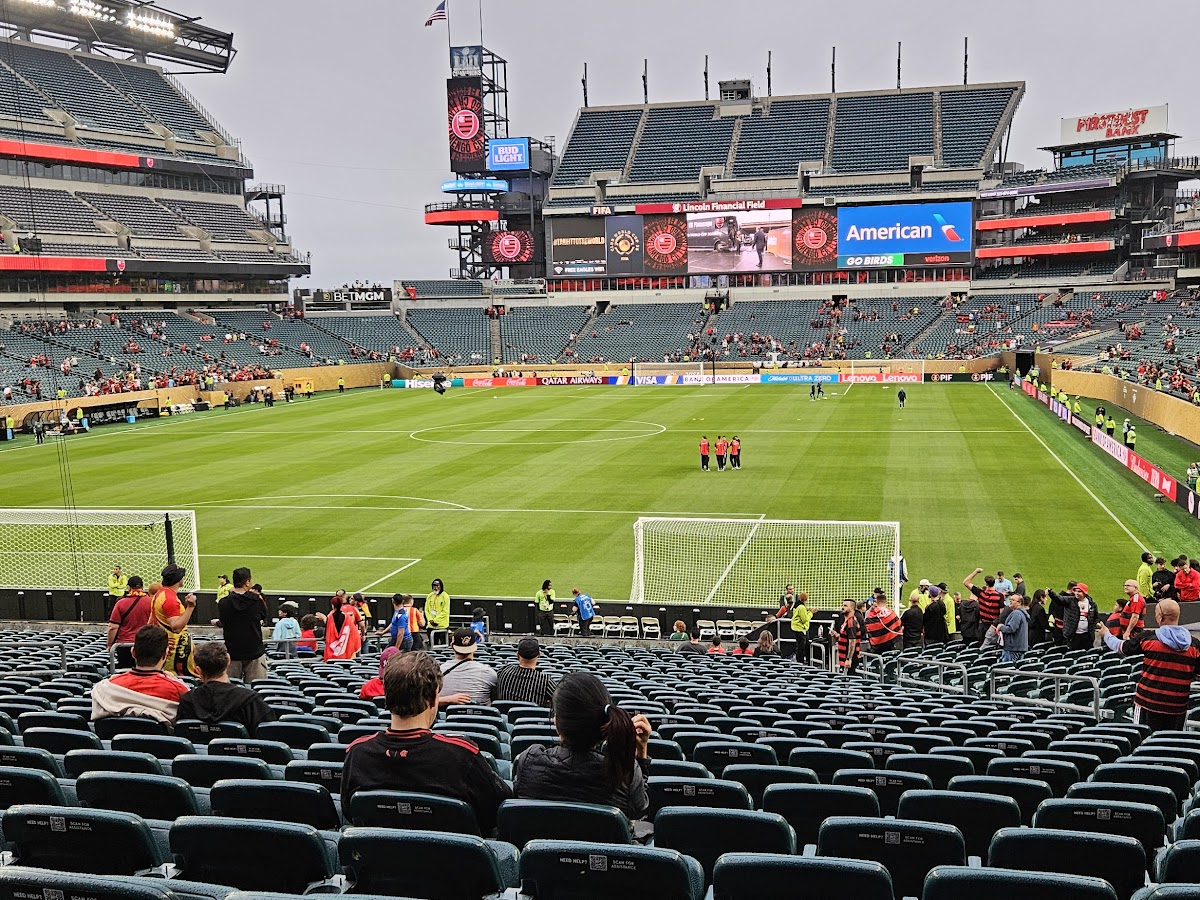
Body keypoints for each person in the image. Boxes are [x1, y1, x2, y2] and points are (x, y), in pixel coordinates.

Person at [340, 652, 512, 831]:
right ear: (433, 699)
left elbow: (349, 810)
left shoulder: (357, 752)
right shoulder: (461, 753)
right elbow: (497, 808)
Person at [512, 672, 651, 821]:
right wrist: (641, 753)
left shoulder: (528, 762)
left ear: (557, 723)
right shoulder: (625, 773)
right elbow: (639, 811)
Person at [1105, 598, 1200, 731]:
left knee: (1142, 739)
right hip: (1177, 708)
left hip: (1147, 705)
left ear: (1160, 616)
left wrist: (1106, 635)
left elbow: (1121, 647)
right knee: (1171, 742)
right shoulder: (1195, 645)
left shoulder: (1148, 638)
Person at [91, 625, 189, 725]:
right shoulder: (180, 691)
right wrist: (175, 681)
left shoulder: (104, 688)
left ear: (133, 652)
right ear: (165, 654)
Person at [176, 641, 276, 734]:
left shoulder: (187, 701)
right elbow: (269, 734)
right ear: (228, 660)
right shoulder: (251, 701)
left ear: (198, 670)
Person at [215, 567, 268, 682]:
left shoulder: (224, 603)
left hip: (233, 652)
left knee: (231, 689)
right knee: (257, 687)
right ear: (247, 582)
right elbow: (264, 615)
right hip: (254, 652)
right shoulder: (256, 600)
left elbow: (223, 621)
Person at [151, 564, 198, 678]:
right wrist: (190, 607)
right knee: (183, 679)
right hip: (177, 649)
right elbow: (176, 627)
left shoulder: (159, 594)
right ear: (179, 579)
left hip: (168, 645)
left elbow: (150, 621)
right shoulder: (170, 599)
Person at [440, 628, 497, 705]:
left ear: (452, 646)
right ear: (475, 646)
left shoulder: (438, 672)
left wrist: (447, 699)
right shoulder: (489, 673)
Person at [496, 637, 556, 707]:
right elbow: (560, 699)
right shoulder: (546, 681)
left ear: (517, 655)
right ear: (539, 655)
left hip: (505, 714)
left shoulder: (503, 671)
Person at [107, 575, 152, 668]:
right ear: (142, 587)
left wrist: (110, 645)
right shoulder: (151, 602)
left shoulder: (120, 603)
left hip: (124, 646)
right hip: (146, 644)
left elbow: (113, 627)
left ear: (128, 588)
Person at [1055, 582, 1098, 650]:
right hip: (1073, 636)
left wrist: (1093, 627)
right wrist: (1051, 593)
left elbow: (1096, 617)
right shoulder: (1070, 601)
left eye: (1079, 591)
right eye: (1075, 591)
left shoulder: (1092, 604)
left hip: (1087, 636)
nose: (1076, 593)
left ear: (1084, 593)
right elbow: (1059, 599)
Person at [963, 568, 1004, 634]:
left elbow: (965, 582)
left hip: (983, 625)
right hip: (994, 626)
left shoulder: (981, 593)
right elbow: (1002, 614)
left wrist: (976, 571)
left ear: (986, 584)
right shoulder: (1000, 596)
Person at [324, 592, 362, 660]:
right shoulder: (347, 618)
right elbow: (353, 632)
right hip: (346, 649)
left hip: (331, 652)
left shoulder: (330, 617)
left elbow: (326, 633)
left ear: (332, 605)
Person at [832, 599, 865, 675]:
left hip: (849, 659)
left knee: (848, 678)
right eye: (842, 605)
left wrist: (848, 659)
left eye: (845, 606)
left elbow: (852, 642)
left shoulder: (851, 623)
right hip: (845, 658)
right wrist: (838, 636)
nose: (842, 607)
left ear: (852, 608)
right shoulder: (847, 621)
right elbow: (848, 637)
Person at [998, 595, 1030, 663]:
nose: (1010, 601)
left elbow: (1011, 629)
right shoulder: (1022, 613)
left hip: (1012, 648)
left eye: (1012, 600)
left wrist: (1001, 627)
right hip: (1018, 647)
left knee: (1008, 668)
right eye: (1010, 599)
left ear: (1019, 603)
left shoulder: (1016, 613)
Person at [426, 578, 451, 644]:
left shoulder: (445, 597)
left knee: (444, 645)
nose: (435, 587)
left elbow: (445, 611)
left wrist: (436, 621)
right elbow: (427, 610)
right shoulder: (430, 596)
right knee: (432, 644)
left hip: (442, 626)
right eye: (434, 586)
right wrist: (431, 620)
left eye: (437, 586)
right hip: (431, 626)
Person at [790, 592, 812, 663]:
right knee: (801, 647)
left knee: (801, 646)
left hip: (797, 628)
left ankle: (800, 661)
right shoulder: (802, 607)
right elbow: (804, 619)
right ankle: (800, 662)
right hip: (800, 629)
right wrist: (811, 613)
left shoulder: (796, 605)